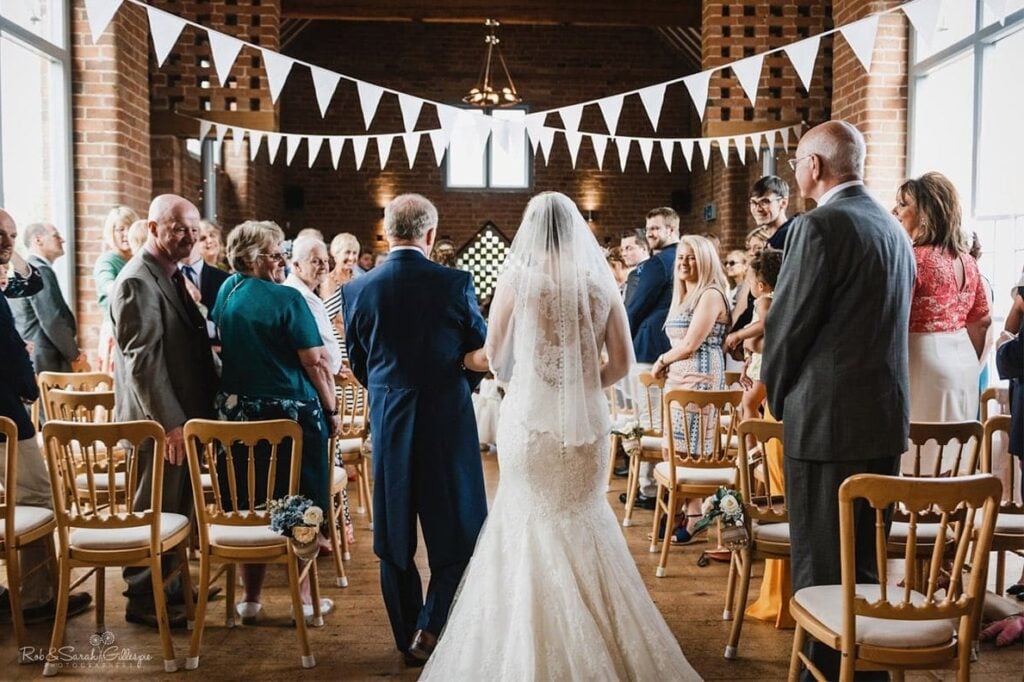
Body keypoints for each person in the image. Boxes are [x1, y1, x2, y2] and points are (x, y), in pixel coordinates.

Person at [423, 191, 698, 680]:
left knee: (525, 519)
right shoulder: (600, 284)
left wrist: (467, 362)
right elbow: (619, 362)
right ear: (573, 230)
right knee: (584, 518)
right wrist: (577, 384)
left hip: (529, 423)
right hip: (587, 427)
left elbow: (494, 355)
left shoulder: (518, 281)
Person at [762, 121, 915, 682]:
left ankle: (823, 675)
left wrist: (776, 397)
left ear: (816, 166)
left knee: (822, 566)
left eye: (797, 160)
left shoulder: (820, 225)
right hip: (881, 419)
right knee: (866, 564)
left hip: (826, 424)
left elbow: (789, 325)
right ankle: (866, 671)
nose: (795, 169)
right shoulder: (892, 229)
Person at [341, 194, 488, 667]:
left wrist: (390, 391)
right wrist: (454, 384)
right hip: (446, 420)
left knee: (393, 536)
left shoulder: (358, 290)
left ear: (386, 233)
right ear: (430, 234)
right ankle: (432, 625)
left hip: (389, 420)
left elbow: (360, 363)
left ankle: (407, 638)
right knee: (461, 531)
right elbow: (480, 348)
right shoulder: (455, 283)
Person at [212, 220, 339, 623]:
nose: (282, 260)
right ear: (251, 258)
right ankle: (303, 600)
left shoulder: (227, 290)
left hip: (236, 416)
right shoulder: (287, 300)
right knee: (298, 503)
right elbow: (315, 362)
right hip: (290, 418)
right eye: (274, 254)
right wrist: (332, 410)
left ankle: (250, 600)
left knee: (251, 501)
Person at [110, 194, 220, 629]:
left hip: (180, 417)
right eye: (178, 229)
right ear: (153, 228)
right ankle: (143, 597)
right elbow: (144, 361)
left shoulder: (169, 274)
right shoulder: (139, 279)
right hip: (155, 423)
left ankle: (174, 586)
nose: (189, 237)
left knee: (179, 508)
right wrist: (171, 423)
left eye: (194, 229)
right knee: (153, 509)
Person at [0, 209, 92, 623]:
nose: (8, 242)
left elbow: (30, 282)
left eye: (13, 235)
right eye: (2, 235)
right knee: (35, 499)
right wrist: (27, 390)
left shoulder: (10, 270)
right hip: (5, 415)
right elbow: (8, 352)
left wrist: (11, 247)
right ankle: (36, 598)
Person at [893, 172, 990, 475]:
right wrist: (971, 362)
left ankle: (917, 514)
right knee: (952, 450)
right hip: (962, 360)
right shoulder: (968, 261)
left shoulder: (913, 258)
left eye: (902, 204)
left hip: (922, 358)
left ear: (924, 214)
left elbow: (894, 314)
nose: (895, 211)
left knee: (920, 452)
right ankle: (949, 515)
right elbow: (983, 321)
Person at [650, 235, 731, 543]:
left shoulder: (710, 294)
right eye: (681, 257)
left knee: (691, 451)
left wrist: (661, 360)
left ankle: (685, 513)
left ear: (706, 260)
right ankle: (692, 513)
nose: (683, 262)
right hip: (678, 378)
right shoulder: (685, 294)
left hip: (700, 377)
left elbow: (690, 344)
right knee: (675, 448)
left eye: (691, 257)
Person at [623, 207, 680, 509]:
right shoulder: (685, 257)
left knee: (650, 420)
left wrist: (620, 340)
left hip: (649, 346)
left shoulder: (658, 264)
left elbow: (635, 307)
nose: (650, 234)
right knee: (663, 420)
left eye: (656, 228)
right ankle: (658, 483)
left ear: (672, 229)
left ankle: (647, 489)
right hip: (673, 346)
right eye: (648, 229)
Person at [11, 222, 87, 373]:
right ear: (38, 240)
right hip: (45, 360)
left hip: (34, 356)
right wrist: (74, 354)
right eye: (56, 236)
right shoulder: (39, 271)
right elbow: (52, 320)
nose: (62, 240)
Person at [725, 248, 783, 424]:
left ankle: (752, 449)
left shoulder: (764, 300)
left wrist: (739, 334)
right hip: (762, 362)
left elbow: (764, 324)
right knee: (764, 406)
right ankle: (761, 447)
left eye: (750, 282)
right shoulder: (780, 299)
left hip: (762, 366)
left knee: (748, 404)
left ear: (760, 286)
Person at [733, 176, 795, 331]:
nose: (758, 208)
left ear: (783, 202)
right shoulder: (770, 241)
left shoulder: (788, 235)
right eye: (753, 203)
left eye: (765, 201)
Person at [93, 206, 138, 372]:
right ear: (111, 233)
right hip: (117, 330)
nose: (126, 234)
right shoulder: (108, 260)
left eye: (129, 228)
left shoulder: (136, 260)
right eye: (120, 229)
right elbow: (108, 285)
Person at [179, 226, 230, 314]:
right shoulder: (182, 271)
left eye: (212, 235)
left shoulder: (226, 276)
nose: (209, 241)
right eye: (203, 238)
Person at [321, 233, 360, 299]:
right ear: (336, 254)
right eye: (347, 252)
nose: (351, 258)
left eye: (355, 253)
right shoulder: (326, 281)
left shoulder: (359, 279)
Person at [620, 227, 650, 305]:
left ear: (643, 248)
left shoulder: (636, 275)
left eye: (629, 248)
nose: (624, 254)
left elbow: (630, 311)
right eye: (622, 249)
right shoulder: (656, 267)